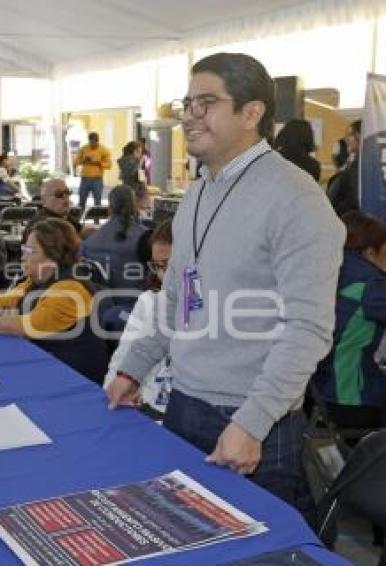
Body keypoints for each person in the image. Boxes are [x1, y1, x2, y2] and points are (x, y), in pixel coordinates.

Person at [107, 52, 345, 518]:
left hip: (251, 421)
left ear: (251, 112)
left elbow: (308, 328)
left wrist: (252, 422)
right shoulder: (200, 191)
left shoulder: (296, 199)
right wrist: (134, 367)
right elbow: (177, 297)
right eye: (187, 103)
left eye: (207, 103)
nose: (190, 117)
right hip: (183, 402)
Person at [0, 218, 109, 383]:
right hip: (50, 361)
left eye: (30, 251)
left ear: (53, 256)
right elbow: (9, 298)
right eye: (24, 250)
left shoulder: (69, 292)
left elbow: (25, 326)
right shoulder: (39, 278)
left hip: (74, 376)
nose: (22, 257)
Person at [310, 211, 386, 431]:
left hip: (322, 391)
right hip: (354, 398)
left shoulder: (328, 272)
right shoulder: (371, 286)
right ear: (370, 252)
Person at [103, 220, 173, 416]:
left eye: (169, 266)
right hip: (144, 404)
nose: (163, 276)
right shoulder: (148, 301)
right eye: (157, 266)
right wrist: (111, 389)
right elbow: (124, 353)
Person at [80, 185, 148, 294]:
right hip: (136, 303)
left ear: (109, 208)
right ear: (134, 207)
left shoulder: (88, 243)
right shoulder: (146, 238)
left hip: (101, 304)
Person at [22, 178, 94, 243]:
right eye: (59, 194)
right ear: (44, 200)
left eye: (67, 192)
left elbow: (82, 231)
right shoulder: (44, 223)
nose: (65, 197)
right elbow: (74, 246)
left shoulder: (63, 216)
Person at [328, 120, 361, 217]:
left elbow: (354, 199)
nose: (346, 139)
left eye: (350, 135)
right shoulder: (353, 164)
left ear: (359, 136)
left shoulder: (359, 167)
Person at [73, 132, 111, 209]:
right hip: (85, 178)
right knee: (81, 201)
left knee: (97, 202)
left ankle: (96, 220)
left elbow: (109, 165)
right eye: (91, 142)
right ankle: (79, 218)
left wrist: (99, 163)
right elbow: (76, 162)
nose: (92, 144)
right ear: (89, 141)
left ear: (97, 141)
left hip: (97, 179)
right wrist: (83, 160)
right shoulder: (84, 148)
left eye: (94, 142)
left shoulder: (104, 150)